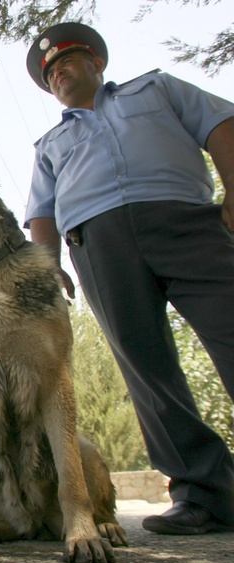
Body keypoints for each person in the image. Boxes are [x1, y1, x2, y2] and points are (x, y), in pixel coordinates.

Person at [24, 22, 234, 536]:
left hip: (186, 222)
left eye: (67, 62)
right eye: (49, 72)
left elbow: (221, 124)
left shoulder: (156, 88)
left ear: (97, 63)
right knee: (147, 368)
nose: (58, 74)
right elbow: (42, 213)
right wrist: (46, 273)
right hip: (99, 246)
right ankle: (205, 495)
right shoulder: (51, 142)